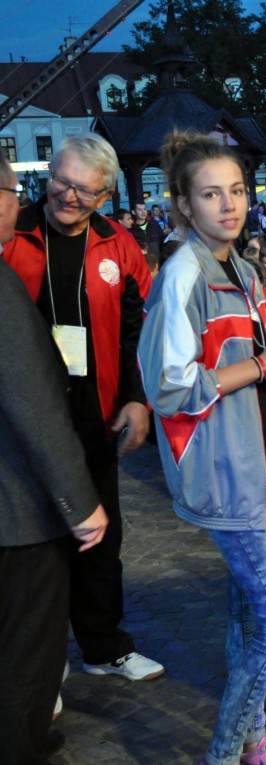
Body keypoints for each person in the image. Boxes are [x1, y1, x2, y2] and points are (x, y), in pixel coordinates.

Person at [139, 130, 266, 765]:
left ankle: (252, 743)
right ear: (183, 204)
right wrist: (265, 365)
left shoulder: (241, 269)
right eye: (211, 194)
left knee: (251, 614)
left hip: (263, 454)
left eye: (237, 191)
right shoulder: (182, 274)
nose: (229, 205)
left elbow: (247, 365)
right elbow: (168, 388)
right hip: (225, 468)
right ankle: (225, 751)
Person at [2, 133, 162, 683]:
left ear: (106, 194)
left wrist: (137, 399)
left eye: (84, 190)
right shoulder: (12, 233)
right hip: (20, 419)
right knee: (31, 543)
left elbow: (141, 332)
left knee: (100, 537)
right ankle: (39, 667)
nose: (68, 196)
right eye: (61, 181)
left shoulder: (119, 244)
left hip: (96, 412)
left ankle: (103, 647)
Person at [0, 154, 109, 765]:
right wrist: (80, 502)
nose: (22, 202)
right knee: (26, 653)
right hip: (18, 511)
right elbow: (33, 403)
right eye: (15, 190)